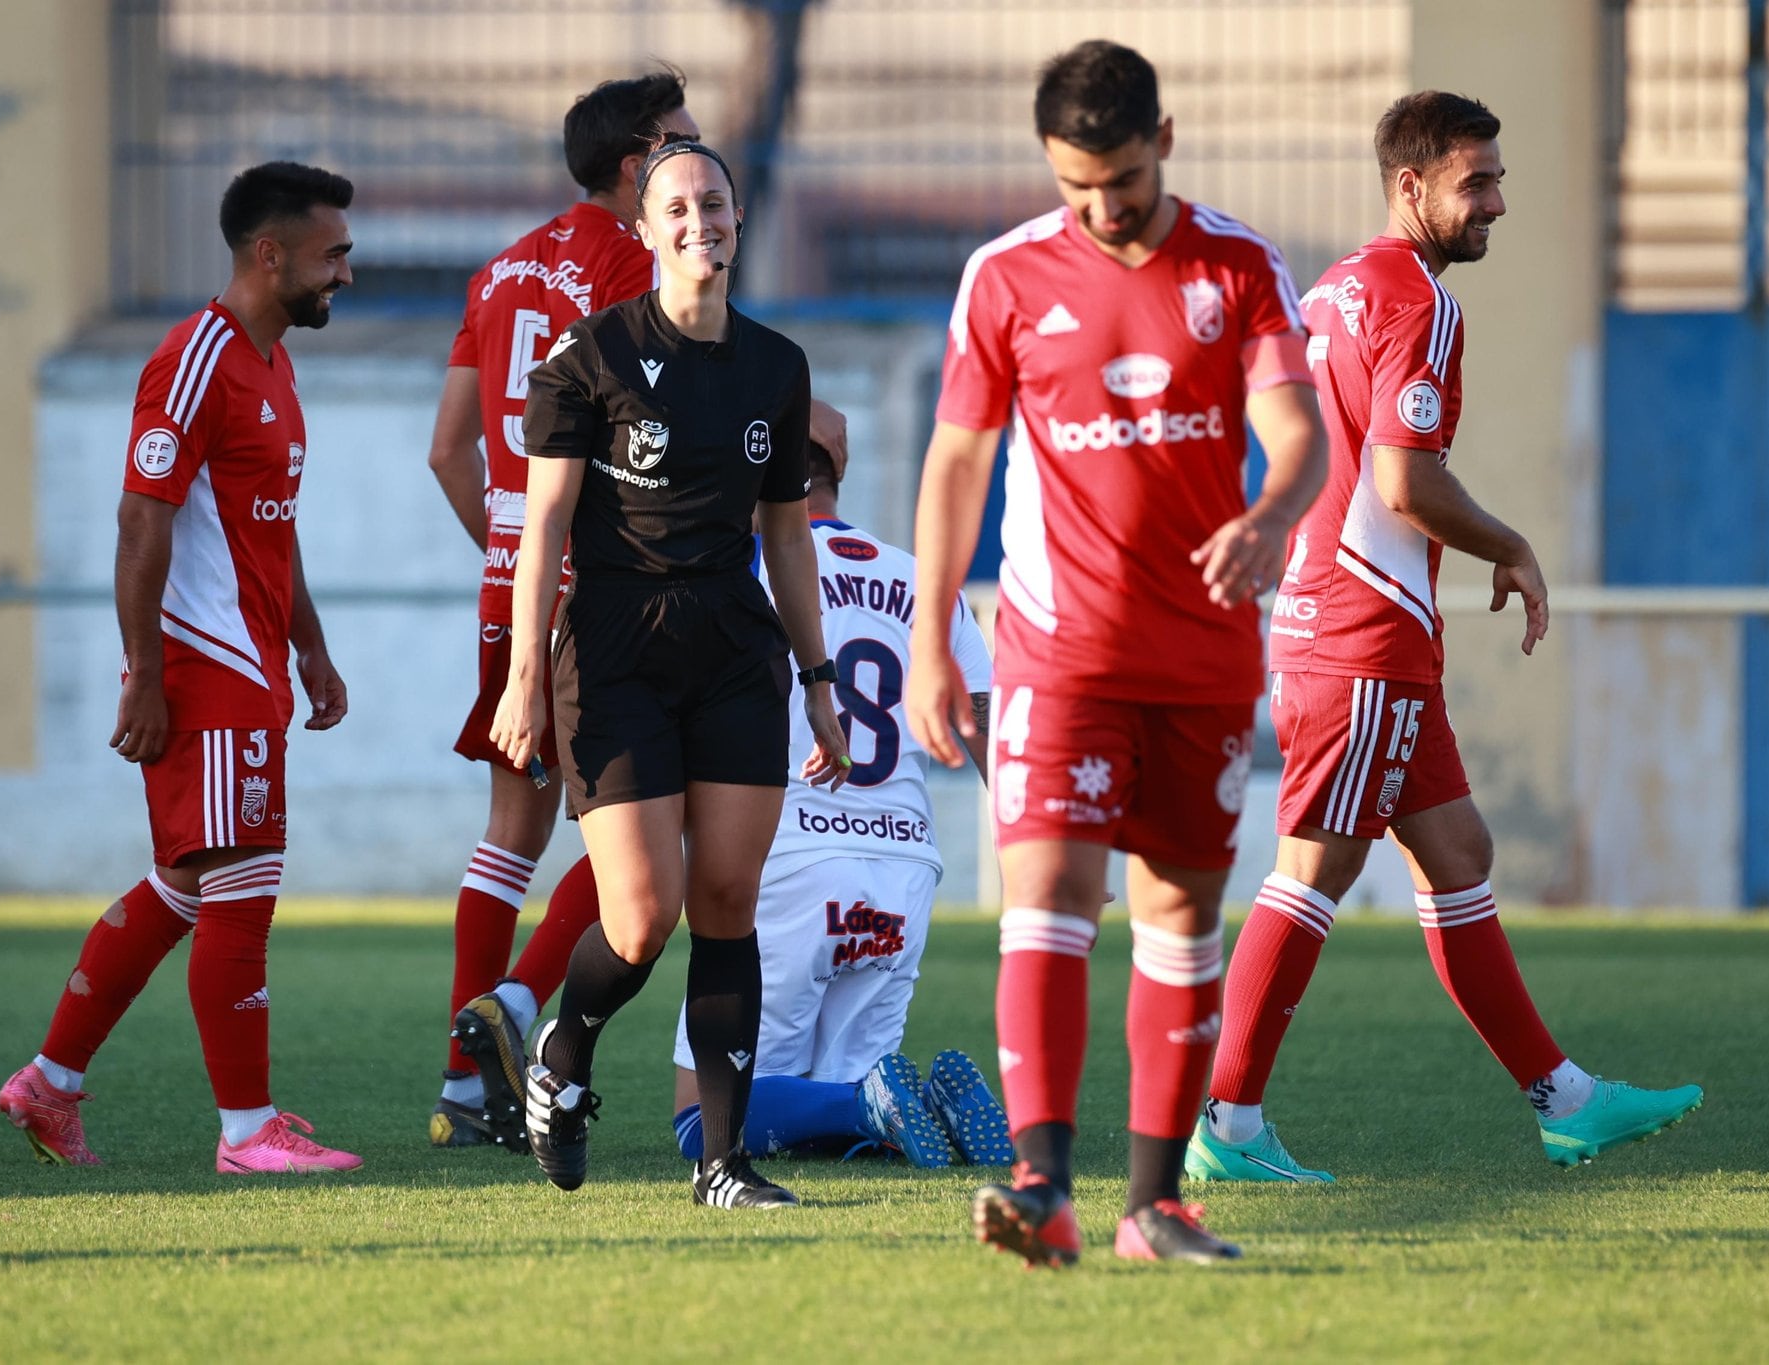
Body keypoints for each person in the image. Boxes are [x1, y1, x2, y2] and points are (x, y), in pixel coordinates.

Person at [1188, 91, 1703, 1186]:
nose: (1497, 204)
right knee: (1312, 868)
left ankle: (1564, 1103)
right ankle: (1225, 1124)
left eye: (1498, 180)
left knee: (1457, 851)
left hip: (1341, 624)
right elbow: (1400, 479)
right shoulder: (1417, 302)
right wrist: (1510, 544)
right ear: (1409, 186)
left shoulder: (1333, 286)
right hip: (1358, 633)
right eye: (1477, 182)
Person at [905, 40, 1328, 1267]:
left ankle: (1154, 1208)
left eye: (1124, 183)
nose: (1101, 210)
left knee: (1179, 914)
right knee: (1045, 898)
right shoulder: (1003, 278)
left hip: (1200, 657)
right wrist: (933, 637)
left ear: (1166, 140)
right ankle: (1042, 1189)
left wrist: (1268, 516)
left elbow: (1293, 430)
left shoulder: (1239, 265)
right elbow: (954, 464)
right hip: (1057, 651)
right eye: (1076, 186)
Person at [426, 72, 852, 1152]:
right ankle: (544, 1029)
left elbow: (449, 450)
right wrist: (536, 659)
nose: (698, 215)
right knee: (640, 902)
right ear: (640, 185)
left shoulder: (502, 271)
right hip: (598, 626)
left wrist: (819, 682)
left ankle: (688, 1147)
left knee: (669, 887)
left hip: (670, 625)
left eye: (713, 196)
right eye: (678, 182)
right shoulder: (610, 301)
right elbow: (561, 505)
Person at [0, 161, 362, 1174]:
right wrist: (144, 675)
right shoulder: (194, 359)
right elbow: (137, 522)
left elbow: (265, 533)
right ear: (268, 254)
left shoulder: (274, 367)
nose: (345, 274)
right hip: (205, 669)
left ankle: (48, 1084)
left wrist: (311, 646)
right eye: (331, 255)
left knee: (184, 889)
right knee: (241, 887)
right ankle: (247, 1134)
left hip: (253, 666)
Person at [667, 441, 1010, 1169]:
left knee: (703, 1116)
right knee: (846, 1108)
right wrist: (1026, 830)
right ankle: (918, 1114)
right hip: (906, 865)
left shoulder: (747, 565)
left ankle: (864, 1106)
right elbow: (984, 714)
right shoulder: (923, 578)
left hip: (790, 855)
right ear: (836, 478)